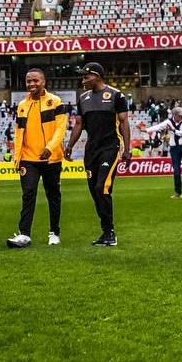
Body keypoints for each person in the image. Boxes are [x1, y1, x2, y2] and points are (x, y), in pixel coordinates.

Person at [64, 62, 132, 247]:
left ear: (98, 77)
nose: (83, 80)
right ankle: (106, 231)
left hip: (110, 148)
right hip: (91, 151)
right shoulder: (83, 98)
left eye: (87, 77)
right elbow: (79, 124)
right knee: (95, 191)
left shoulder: (116, 95)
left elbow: (124, 122)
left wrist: (128, 149)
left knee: (102, 187)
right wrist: (69, 145)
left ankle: (110, 232)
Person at [7, 69, 67, 248]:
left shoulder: (55, 102)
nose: (32, 84)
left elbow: (60, 128)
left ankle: (54, 232)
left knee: (53, 195)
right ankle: (24, 234)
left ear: (44, 81)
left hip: (51, 158)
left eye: (35, 81)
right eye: (28, 81)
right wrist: (17, 157)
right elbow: (18, 133)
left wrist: (50, 147)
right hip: (28, 159)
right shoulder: (22, 105)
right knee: (28, 194)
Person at [147, 106, 182, 199]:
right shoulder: (168, 122)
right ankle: (178, 192)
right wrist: (147, 130)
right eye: (179, 115)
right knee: (176, 171)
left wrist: (173, 130)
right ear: (175, 115)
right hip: (174, 148)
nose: (181, 117)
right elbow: (158, 127)